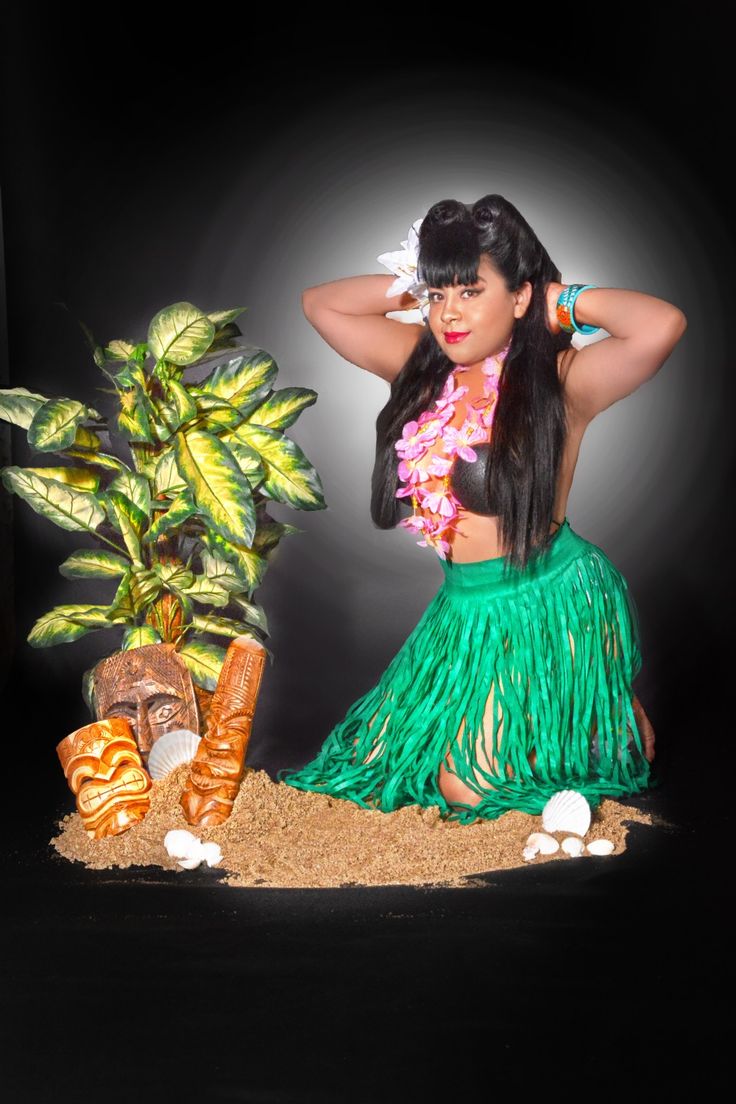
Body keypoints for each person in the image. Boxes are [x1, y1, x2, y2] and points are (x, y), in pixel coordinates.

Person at [277, 194, 686, 823]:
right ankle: (584, 715)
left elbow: (661, 324)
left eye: (470, 292)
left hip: (542, 604)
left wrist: (561, 300)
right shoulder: (420, 364)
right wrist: (425, 276)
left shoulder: (565, 380)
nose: (448, 315)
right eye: (438, 297)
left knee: (467, 790)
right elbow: (321, 304)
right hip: (462, 610)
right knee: (380, 762)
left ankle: (581, 702)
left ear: (519, 297)